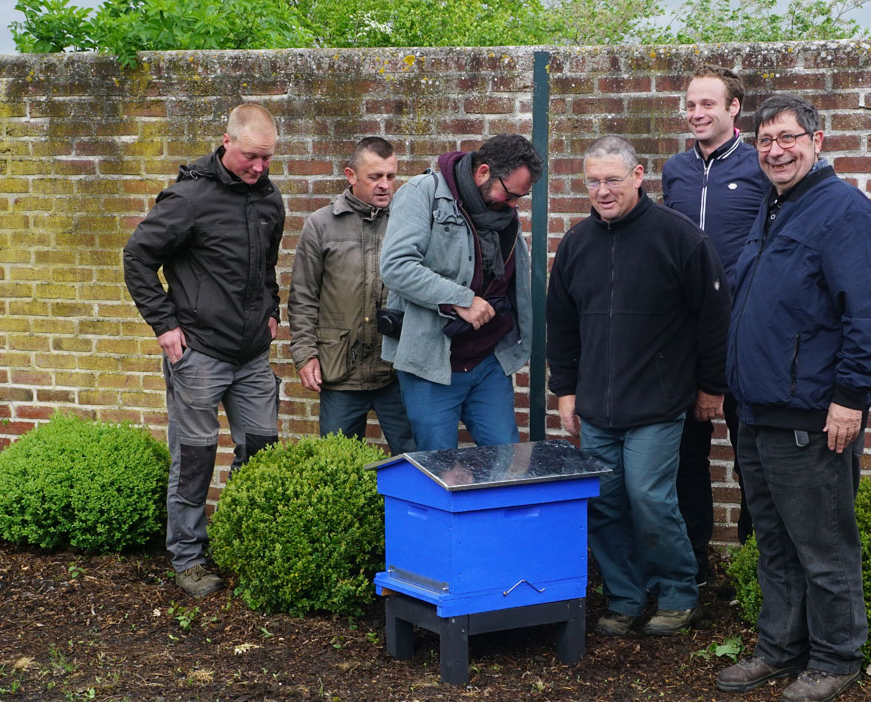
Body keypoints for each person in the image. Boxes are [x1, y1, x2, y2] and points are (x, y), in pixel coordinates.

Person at [715, 95, 871, 702]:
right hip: (758, 414)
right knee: (773, 542)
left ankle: (836, 657)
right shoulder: (774, 209)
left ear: (817, 141)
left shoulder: (842, 212)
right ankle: (779, 647)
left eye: (788, 138)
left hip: (812, 421)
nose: (776, 150)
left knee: (823, 548)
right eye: (766, 140)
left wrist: (851, 398)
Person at [547, 135, 729, 637]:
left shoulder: (680, 238)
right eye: (593, 181)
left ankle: (676, 592)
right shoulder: (577, 244)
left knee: (649, 497)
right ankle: (625, 596)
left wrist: (711, 387)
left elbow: (715, 319)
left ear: (638, 175)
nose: (603, 190)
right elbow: (560, 326)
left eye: (613, 179)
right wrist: (565, 393)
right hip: (596, 407)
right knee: (605, 502)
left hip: (659, 402)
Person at [124, 103, 285, 599]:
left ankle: (241, 542)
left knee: (261, 451)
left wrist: (272, 309)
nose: (259, 167)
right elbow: (137, 256)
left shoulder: (269, 199)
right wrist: (164, 325)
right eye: (252, 157)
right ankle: (189, 559)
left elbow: (266, 267)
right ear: (227, 141)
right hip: (199, 354)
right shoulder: (189, 197)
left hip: (252, 355)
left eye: (268, 159)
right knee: (194, 458)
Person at [661, 64, 768, 581]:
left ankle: (755, 563)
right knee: (687, 456)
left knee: (753, 455)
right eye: (690, 104)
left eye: (708, 104)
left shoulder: (759, 167)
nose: (696, 113)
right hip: (685, 336)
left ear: (734, 109)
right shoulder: (674, 170)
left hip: (745, 332)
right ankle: (695, 561)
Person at [378, 133, 542, 451]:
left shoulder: (502, 213)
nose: (512, 206)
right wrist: (461, 300)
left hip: (488, 362)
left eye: (518, 200)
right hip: (432, 363)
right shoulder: (422, 193)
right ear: (483, 172)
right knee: (438, 469)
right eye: (509, 195)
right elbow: (396, 267)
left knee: (506, 461)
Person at [287, 136, 415, 453]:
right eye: (375, 176)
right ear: (350, 175)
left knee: (416, 461)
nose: (385, 185)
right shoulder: (320, 225)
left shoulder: (409, 222)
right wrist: (305, 354)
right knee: (338, 463)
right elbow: (303, 297)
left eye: (391, 176)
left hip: (397, 371)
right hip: (340, 371)